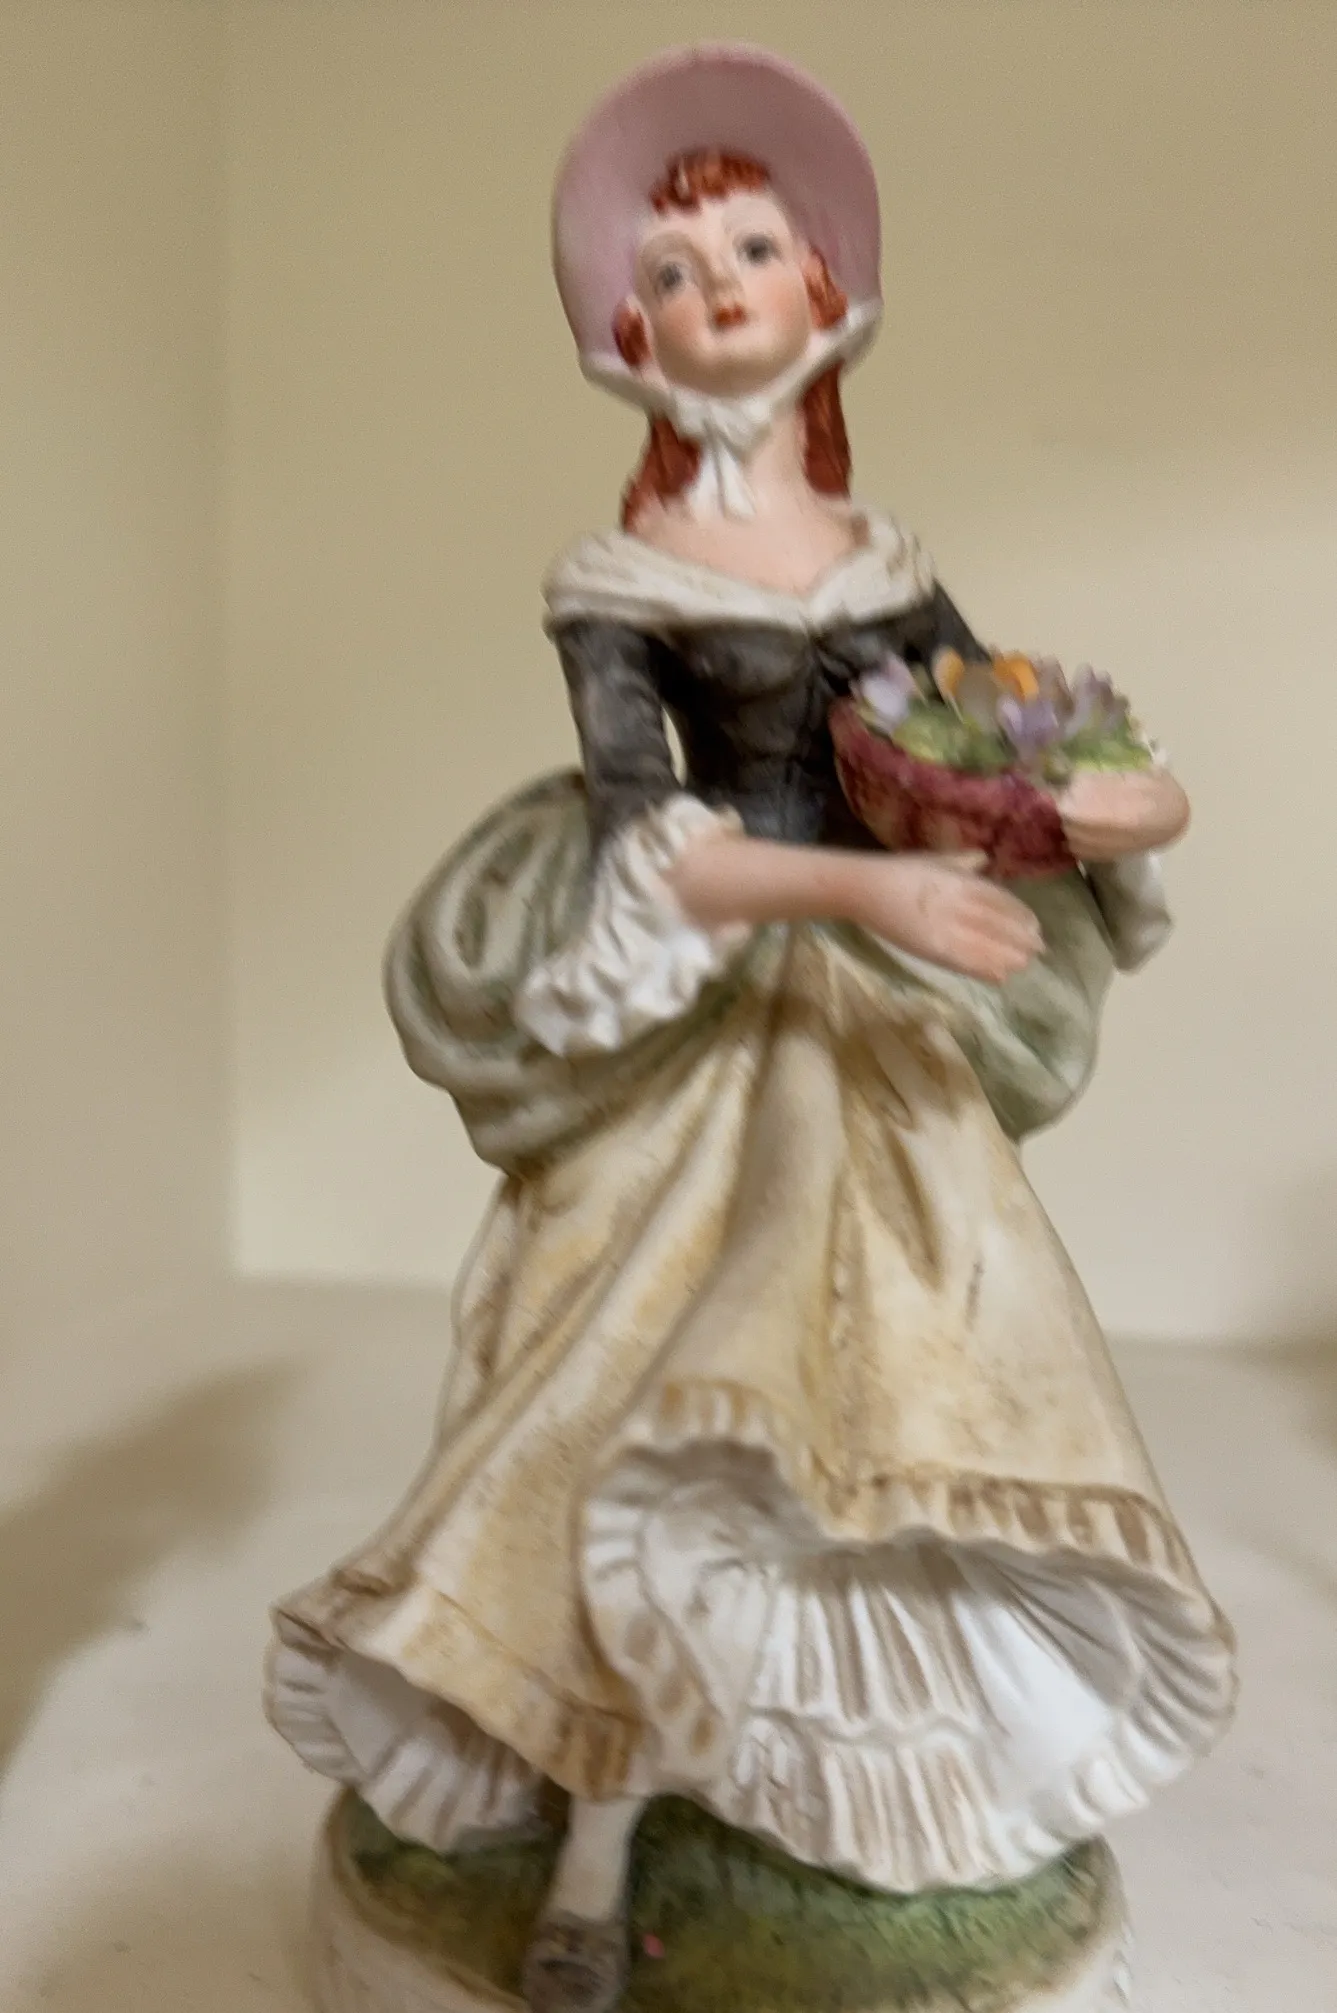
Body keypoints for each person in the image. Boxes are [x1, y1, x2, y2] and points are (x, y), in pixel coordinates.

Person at [266, 45, 1234, 2013]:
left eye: (752, 250)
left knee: (897, 1391)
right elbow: (658, 835)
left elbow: (978, 741)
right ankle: (589, 1829)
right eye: (676, 266)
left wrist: (1106, 808)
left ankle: (839, 1789)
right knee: (620, 1395)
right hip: (701, 1013)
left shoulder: (881, 563)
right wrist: (870, 896)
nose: (717, 284)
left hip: (870, 1040)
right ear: (628, 335)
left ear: (827, 295)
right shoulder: (620, 583)